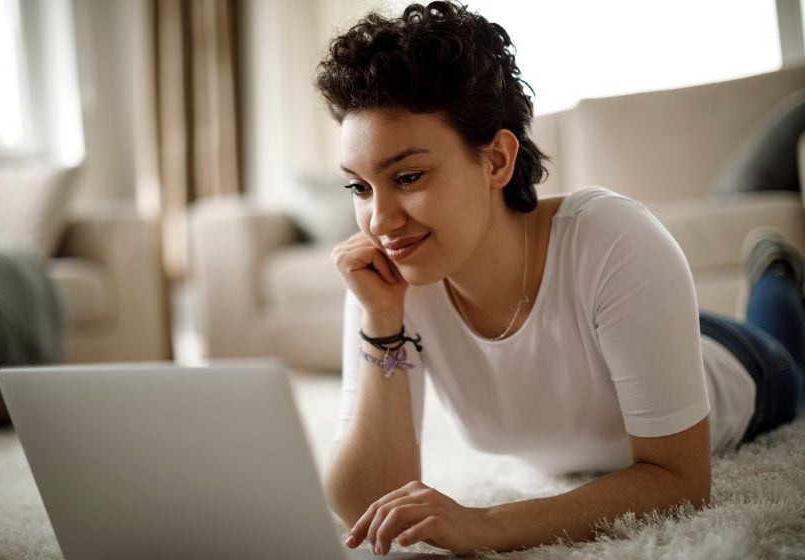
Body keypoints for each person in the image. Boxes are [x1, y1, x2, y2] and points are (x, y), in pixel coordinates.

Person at [315, 1, 805, 555]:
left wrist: (488, 523)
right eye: (358, 187)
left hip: (748, 369)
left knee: (791, 347)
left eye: (408, 176)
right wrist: (382, 324)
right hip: (624, 330)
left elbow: (680, 480)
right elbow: (367, 502)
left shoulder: (612, 237)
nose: (379, 221)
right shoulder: (388, 275)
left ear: (497, 160)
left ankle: (776, 275)